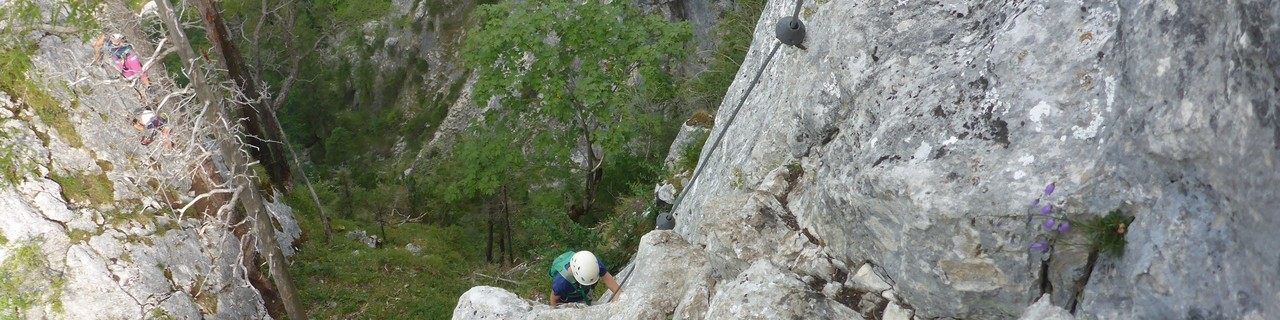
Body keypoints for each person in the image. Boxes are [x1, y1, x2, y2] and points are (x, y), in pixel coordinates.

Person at [548, 251, 622, 307]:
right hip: (567, 303)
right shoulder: (561, 282)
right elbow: (553, 301)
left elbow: (613, 285)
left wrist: (617, 298)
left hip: (584, 294)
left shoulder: (593, 263)